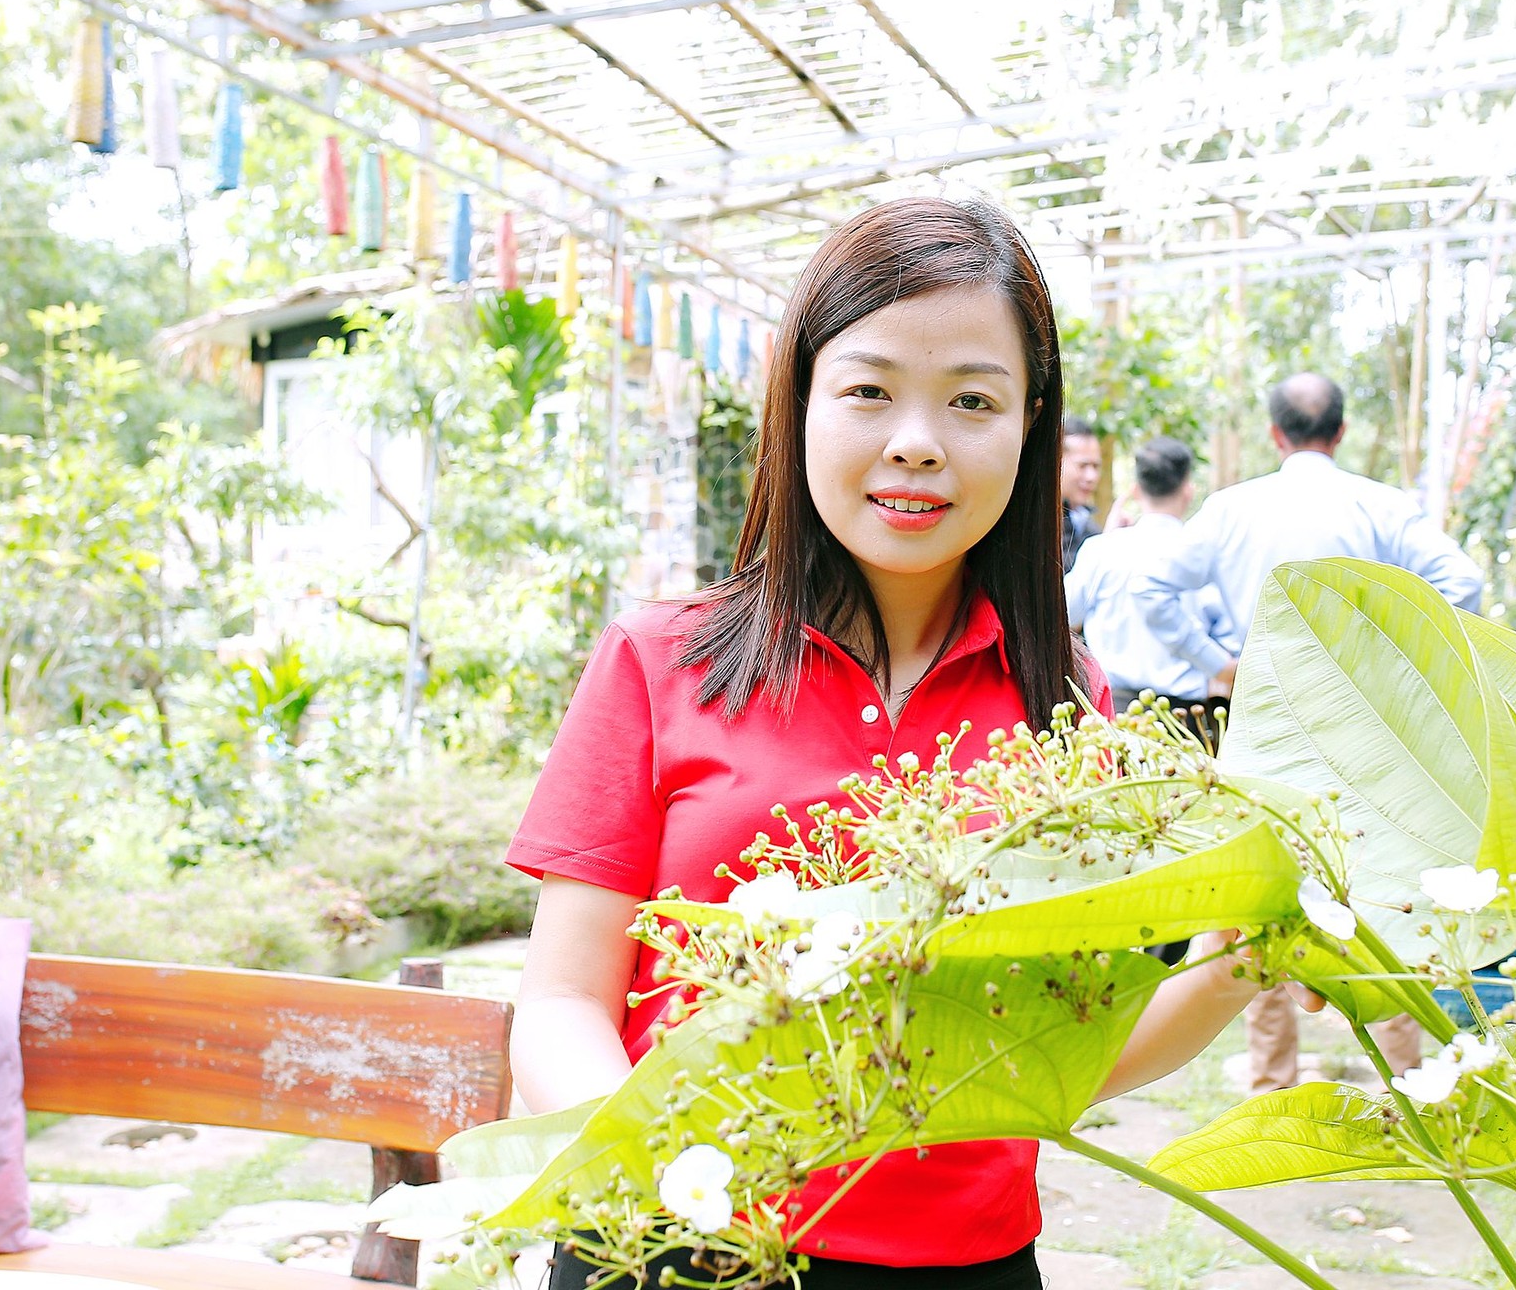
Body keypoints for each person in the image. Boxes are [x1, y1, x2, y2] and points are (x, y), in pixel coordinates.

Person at [506, 198, 1265, 1290]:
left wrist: (1244, 965)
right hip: (670, 1247)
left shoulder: (1070, 707)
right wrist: (657, 1174)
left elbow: (1061, 1056)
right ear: (801, 400)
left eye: (972, 400)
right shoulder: (658, 661)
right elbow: (563, 1001)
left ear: (1030, 427)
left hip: (964, 1268)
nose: (917, 441)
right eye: (870, 391)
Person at [1130, 371, 1484, 1094]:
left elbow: (1151, 586)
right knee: (1383, 881)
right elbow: (1464, 583)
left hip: (1268, 722)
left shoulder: (1232, 509)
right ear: (1341, 431)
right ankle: (1405, 1079)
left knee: (1269, 887)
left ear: (1275, 434)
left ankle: (1272, 1078)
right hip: (1369, 722)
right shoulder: (1381, 505)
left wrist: (1217, 664)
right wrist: (1395, 659)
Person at [1066, 436, 1236, 721]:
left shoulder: (1101, 550)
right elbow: (1228, 632)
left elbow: (1066, 614)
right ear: (1188, 490)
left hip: (1113, 714)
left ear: (1135, 490)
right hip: (1188, 717)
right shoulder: (1204, 557)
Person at [1058, 416, 1102, 571]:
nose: (1091, 477)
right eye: (1083, 466)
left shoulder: (1088, 524)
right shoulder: (1035, 519)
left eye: (1095, 467)